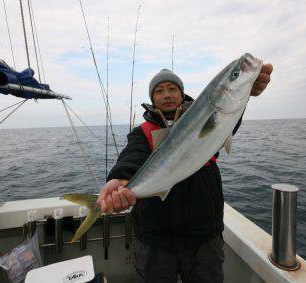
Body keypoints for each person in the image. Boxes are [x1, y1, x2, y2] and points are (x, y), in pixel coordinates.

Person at [97, 63, 273, 283]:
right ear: (152, 98)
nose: (167, 95)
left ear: (182, 93)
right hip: (154, 240)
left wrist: (246, 90)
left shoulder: (207, 116)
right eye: (159, 91)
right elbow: (131, 157)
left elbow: (227, 115)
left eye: (172, 89)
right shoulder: (141, 133)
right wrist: (118, 178)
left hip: (204, 236)